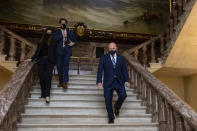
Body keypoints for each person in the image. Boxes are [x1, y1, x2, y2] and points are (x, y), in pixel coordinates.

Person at [97, 42, 130, 124]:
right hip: (108, 83)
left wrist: (126, 80)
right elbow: (99, 71)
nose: (112, 50)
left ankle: (117, 106)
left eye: (113, 48)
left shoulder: (121, 58)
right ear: (108, 49)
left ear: (116, 48)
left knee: (123, 95)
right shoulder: (103, 58)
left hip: (119, 82)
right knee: (108, 99)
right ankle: (111, 117)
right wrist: (99, 82)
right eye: (110, 48)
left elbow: (124, 71)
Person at [25, 28, 56, 103]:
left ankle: (47, 96)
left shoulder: (54, 42)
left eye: (50, 33)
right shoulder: (41, 42)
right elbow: (37, 52)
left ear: (52, 34)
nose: (48, 34)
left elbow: (56, 54)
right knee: (42, 77)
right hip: (41, 61)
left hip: (49, 62)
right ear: (45, 33)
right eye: (47, 33)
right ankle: (43, 93)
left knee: (48, 78)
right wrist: (32, 59)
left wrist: (55, 63)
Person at [54, 18, 78, 89]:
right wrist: (62, 35)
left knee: (65, 65)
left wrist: (72, 43)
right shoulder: (57, 32)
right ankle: (61, 82)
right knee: (59, 66)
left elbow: (76, 42)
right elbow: (54, 39)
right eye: (62, 23)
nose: (63, 24)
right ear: (60, 24)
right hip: (59, 52)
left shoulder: (70, 32)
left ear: (66, 24)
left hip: (67, 51)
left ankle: (65, 82)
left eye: (64, 23)